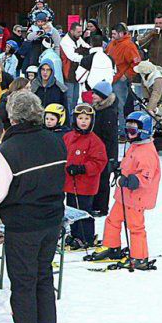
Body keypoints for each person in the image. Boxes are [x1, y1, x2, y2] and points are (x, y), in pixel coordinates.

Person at [0, 92, 66, 323]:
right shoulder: (56, 141)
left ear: (13, 117)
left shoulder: (10, 148)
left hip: (24, 224)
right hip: (52, 219)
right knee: (43, 277)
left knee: (24, 283)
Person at [88, 112, 161, 270]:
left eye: (133, 130)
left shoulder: (147, 152)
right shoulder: (135, 146)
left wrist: (131, 181)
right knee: (112, 220)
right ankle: (111, 246)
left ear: (144, 131)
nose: (129, 133)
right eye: (127, 129)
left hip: (136, 198)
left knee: (135, 227)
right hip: (124, 195)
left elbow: (146, 176)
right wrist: (119, 166)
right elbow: (130, 163)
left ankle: (139, 257)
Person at [63, 104, 107, 250]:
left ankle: (86, 237)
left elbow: (100, 161)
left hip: (86, 184)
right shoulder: (68, 137)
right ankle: (75, 234)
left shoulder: (94, 141)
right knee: (72, 209)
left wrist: (83, 168)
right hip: (70, 183)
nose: (83, 121)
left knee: (83, 211)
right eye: (80, 118)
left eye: (86, 119)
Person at [89, 81, 119, 217]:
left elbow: (111, 139)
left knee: (102, 181)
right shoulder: (97, 109)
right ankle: (95, 204)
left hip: (105, 153)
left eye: (96, 94)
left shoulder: (108, 113)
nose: (93, 96)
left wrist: (111, 158)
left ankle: (101, 207)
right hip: (96, 151)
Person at [105, 23, 142, 129]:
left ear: (121, 33)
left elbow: (136, 63)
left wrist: (127, 75)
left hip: (120, 80)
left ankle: (122, 129)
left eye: (114, 34)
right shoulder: (112, 43)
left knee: (120, 105)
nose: (112, 36)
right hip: (111, 79)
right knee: (110, 105)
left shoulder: (129, 45)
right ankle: (112, 127)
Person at [59, 23, 91, 109]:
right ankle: (69, 115)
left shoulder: (78, 38)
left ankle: (73, 114)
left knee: (76, 97)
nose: (80, 34)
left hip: (76, 72)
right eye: (78, 32)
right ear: (72, 31)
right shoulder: (65, 42)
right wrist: (87, 58)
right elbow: (72, 57)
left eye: (81, 32)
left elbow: (86, 46)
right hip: (68, 72)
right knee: (69, 98)